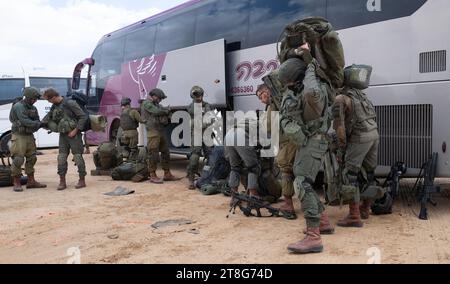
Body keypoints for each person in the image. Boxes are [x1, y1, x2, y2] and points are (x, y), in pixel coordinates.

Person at [279, 43, 334, 254]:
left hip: (312, 140)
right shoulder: (300, 89)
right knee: (304, 181)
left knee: (302, 183)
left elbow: (311, 91)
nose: (286, 83)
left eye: (288, 79)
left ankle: (313, 237)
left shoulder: (313, 91)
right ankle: (323, 222)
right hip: (313, 140)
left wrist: (310, 64)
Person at [332, 77, 380, 224]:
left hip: (359, 138)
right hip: (374, 134)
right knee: (369, 173)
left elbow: (339, 127)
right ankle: (365, 208)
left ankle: (354, 216)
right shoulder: (360, 95)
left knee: (350, 175)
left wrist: (341, 148)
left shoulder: (341, 98)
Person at [256, 78, 298, 219]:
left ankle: (288, 205)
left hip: (287, 141)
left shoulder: (273, 103)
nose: (261, 100)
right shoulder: (286, 97)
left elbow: (268, 126)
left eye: (260, 95)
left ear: (266, 91)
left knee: (286, 171)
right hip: (297, 138)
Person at [42, 88, 88, 190]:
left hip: (74, 135)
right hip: (63, 135)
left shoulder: (70, 103)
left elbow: (82, 117)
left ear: (53, 97)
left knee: (77, 157)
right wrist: (41, 124)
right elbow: (48, 117)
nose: (49, 102)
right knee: (61, 158)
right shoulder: (54, 106)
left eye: (49, 100)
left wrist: (75, 131)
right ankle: (62, 181)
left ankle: (82, 180)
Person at [9, 87, 47, 192]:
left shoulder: (33, 108)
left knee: (32, 158)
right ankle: (16, 182)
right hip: (19, 136)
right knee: (18, 159)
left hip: (29, 135)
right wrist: (39, 124)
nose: (35, 101)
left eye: (36, 99)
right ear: (28, 97)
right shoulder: (18, 107)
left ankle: (31, 181)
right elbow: (25, 121)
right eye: (33, 98)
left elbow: (37, 120)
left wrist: (38, 124)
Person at [141, 88, 178, 184]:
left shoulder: (157, 105)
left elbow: (161, 110)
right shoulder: (146, 104)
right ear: (154, 96)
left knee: (165, 152)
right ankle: (152, 175)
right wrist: (165, 111)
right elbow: (156, 111)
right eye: (159, 98)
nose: (160, 100)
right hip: (153, 132)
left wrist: (165, 111)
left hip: (160, 130)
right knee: (153, 153)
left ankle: (167, 173)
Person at [186, 86, 213, 189]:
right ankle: (191, 179)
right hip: (196, 134)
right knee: (195, 156)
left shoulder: (207, 106)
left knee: (210, 157)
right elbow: (194, 112)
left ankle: (208, 177)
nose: (199, 97)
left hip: (207, 133)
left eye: (200, 94)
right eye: (196, 95)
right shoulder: (191, 106)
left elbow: (209, 119)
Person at [120, 97, 145, 161]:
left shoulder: (122, 113)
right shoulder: (133, 112)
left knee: (127, 149)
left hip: (124, 134)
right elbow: (141, 120)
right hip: (132, 133)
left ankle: (126, 163)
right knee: (134, 150)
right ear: (128, 104)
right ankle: (133, 163)